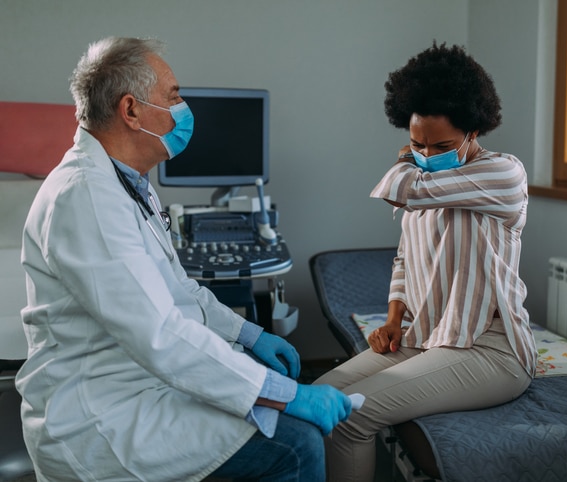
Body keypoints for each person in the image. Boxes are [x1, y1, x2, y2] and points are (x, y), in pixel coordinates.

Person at [16, 36, 351, 482]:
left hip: (136, 384)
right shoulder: (86, 197)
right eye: (173, 96)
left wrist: (249, 334)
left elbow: (177, 290)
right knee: (295, 444)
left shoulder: (127, 184)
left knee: (259, 399)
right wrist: (284, 395)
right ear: (131, 110)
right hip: (98, 416)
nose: (184, 107)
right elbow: (160, 333)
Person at [314, 42, 538, 481]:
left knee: (352, 417)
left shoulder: (503, 174)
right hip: (425, 335)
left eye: (443, 145)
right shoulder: (428, 181)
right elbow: (404, 257)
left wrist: (404, 158)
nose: (429, 156)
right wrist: (395, 317)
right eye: (418, 144)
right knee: (319, 398)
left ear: (474, 131)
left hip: (489, 349)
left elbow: (404, 188)